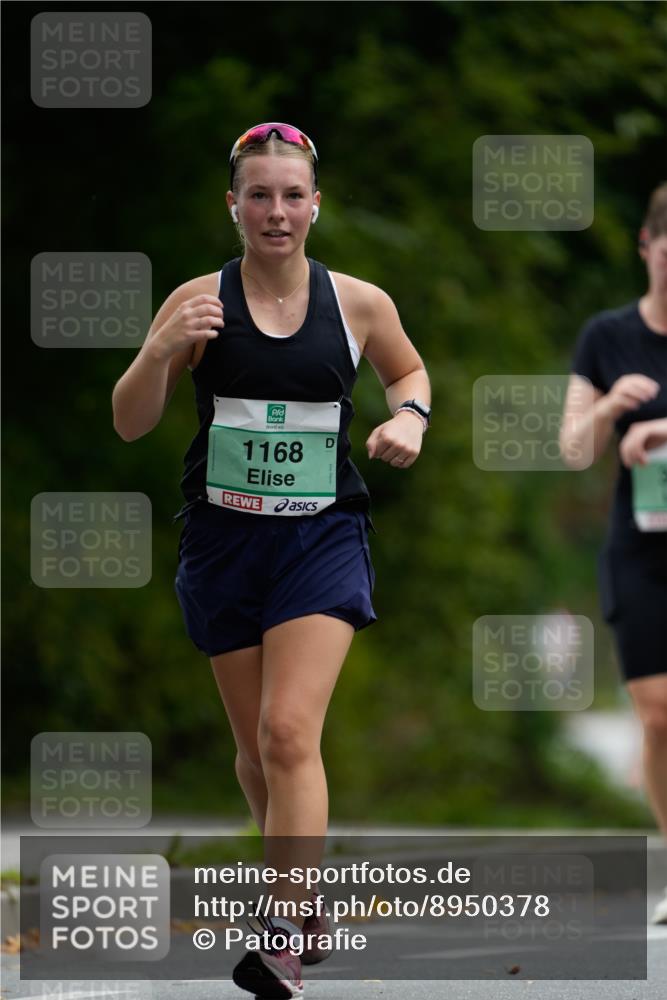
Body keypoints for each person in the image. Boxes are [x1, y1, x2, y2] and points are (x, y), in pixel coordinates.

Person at [112, 122, 431, 996]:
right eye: (260, 194)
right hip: (222, 541)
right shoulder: (197, 301)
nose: (276, 211)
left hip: (320, 536)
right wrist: (159, 347)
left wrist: (410, 418)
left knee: (289, 733)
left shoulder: (358, 302)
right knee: (256, 752)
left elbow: (408, 373)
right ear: (234, 206)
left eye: (292, 195)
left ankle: (282, 932)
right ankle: (309, 897)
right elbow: (131, 420)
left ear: (315, 205)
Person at [560, 181, 667, 924]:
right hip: (641, 549)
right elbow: (572, 449)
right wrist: (609, 412)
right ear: (645, 246)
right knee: (657, 713)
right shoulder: (606, 336)